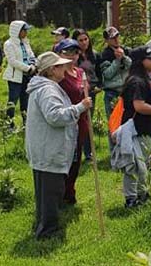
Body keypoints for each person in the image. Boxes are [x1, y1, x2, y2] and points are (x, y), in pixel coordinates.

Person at [25, 52, 91, 240]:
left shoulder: (47, 87)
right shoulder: (48, 90)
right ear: (52, 70)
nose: (65, 68)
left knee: (46, 194)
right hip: (49, 150)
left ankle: (43, 225)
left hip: (45, 149)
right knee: (51, 193)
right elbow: (55, 116)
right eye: (61, 66)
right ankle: (48, 232)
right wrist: (80, 107)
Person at [113, 46, 151, 208]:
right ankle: (131, 199)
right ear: (141, 61)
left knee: (143, 165)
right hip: (136, 130)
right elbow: (139, 106)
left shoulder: (144, 78)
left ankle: (143, 193)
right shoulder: (137, 81)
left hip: (146, 128)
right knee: (133, 166)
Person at [54, 39, 91, 206]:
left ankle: (70, 192)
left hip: (81, 121)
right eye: (67, 52)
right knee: (65, 159)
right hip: (66, 121)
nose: (72, 56)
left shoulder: (80, 72)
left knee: (76, 160)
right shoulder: (59, 76)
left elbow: (85, 92)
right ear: (59, 54)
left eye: (75, 52)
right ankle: (60, 194)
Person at [73, 29, 100, 161]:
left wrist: (99, 85)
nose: (84, 42)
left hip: (91, 91)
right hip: (78, 91)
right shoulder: (74, 57)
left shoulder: (94, 55)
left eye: (86, 39)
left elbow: (98, 73)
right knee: (78, 120)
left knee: (88, 121)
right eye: (81, 40)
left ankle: (88, 152)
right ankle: (75, 150)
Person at [3, 20, 37, 126]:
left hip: (27, 76)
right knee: (13, 100)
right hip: (15, 76)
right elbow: (13, 61)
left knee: (25, 100)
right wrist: (28, 68)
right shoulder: (9, 44)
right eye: (24, 30)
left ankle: (26, 123)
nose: (26, 33)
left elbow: (31, 54)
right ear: (17, 31)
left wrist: (33, 64)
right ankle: (9, 123)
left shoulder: (25, 42)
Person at [99, 27, 131, 117]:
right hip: (112, 93)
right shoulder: (105, 54)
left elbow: (132, 66)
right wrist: (117, 61)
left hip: (126, 91)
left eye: (117, 36)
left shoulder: (127, 50)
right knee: (114, 123)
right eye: (112, 38)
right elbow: (107, 74)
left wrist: (124, 57)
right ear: (106, 40)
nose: (116, 40)